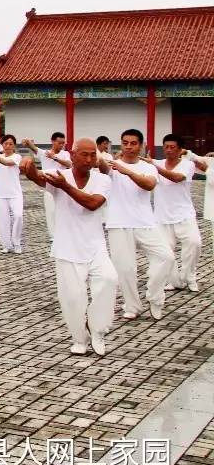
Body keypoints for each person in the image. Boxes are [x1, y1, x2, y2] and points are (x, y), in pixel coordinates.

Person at [21, 138, 117, 355]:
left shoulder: (103, 180)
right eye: (84, 154)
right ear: (72, 156)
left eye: (93, 154)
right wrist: (29, 168)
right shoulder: (59, 177)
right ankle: (79, 339)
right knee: (73, 297)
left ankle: (98, 329)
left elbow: (92, 204)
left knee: (110, 279)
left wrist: (65, 187)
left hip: (95, 246)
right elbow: (37, 179)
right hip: (67, 247)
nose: (89, 159)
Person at [101, 129, 174, 321]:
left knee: (166, 257)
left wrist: (127, 171)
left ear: (140, 145)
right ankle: (132, 306)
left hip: (144, 222)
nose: (128, 147)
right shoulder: (112, 166)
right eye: (125, 143)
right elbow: (101, 166)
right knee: (125, 269)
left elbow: (149, 185)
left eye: (133, 143)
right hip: (118, 223)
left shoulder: (148, 167)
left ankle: (155, 295)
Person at [150, 134, 200, 294]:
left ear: (180, 150)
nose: (169, 150)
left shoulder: (187, 165)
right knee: (166, 252)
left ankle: (189, 276)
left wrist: (154, 166)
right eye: (166, 147)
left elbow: (177, 178)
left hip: (184, 214)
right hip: (162, 216)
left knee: (194, 243)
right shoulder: (155, 164)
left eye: (172, 147)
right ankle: (174, 281)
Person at [23, 132, 70, 241]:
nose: (61, 145)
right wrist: (28, 142)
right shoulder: (44, 153)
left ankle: (63, 231)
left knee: (62, 210)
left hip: (62, 186)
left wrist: (55, 158)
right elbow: (34, 148)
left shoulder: (65, 154)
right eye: (59, 143)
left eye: (63, 143)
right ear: (53, 141)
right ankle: (53, 235)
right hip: (48, 186)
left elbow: (69, 164)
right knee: (51, 211)